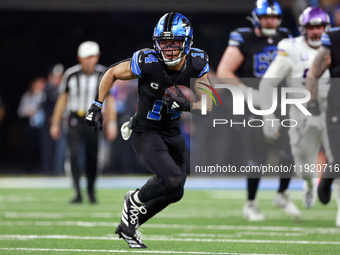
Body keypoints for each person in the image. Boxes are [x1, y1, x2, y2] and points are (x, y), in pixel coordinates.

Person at [85, 12, 211, 248]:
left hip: (172, 132)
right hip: (145, 130)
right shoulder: (147, 61)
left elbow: (209, 104)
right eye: (164, 42)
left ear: (187, 42)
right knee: (172, 180)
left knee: (176, 191)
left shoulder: (198, 61)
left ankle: (128, 226)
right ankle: (133, 200)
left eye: (175, 42)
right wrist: (96, 105)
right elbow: (111, 73)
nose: (169, 48)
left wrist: (188, 104)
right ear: (156, 42)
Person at [216, 0, 298, 221]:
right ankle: (251, 203)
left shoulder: (284, 36)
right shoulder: (244, 37)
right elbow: (224, 70)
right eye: (266, 17)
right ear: (256, 18)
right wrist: (246, 92)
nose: (270, 21)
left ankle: (282, 193)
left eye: (273, 17)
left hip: (280, 101)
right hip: (251, 103)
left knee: (291, 147)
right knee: (258, 154)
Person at [259, 7, 333, 210]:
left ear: (328, 28)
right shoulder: (291, 48)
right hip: (302, 115)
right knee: (304, 168)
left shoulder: (335, 45)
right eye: (312, 27)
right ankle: (309, 184)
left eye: (320, 27)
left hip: (332, 112)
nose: (317, 32)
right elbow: (267, 83)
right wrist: (268, 116)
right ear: (303, 28)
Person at [50, 41, 117, 204]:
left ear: (97, 57)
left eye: (93, 56)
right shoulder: (71, 74)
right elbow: (63, 99)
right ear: (80, 58)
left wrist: (112, 123)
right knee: (73, 154)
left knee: (92, 157)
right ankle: (77, 192)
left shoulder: (104, 73)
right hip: (75, 119)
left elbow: (111, 100)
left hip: (94, 120)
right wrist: (55, 123)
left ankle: (91, 190)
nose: (90, 60)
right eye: (87, 57)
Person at [306, 26, 340, 226]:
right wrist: (312, 102)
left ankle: (328, 175)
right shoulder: (335, 39)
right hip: (337, 107)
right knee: (339, 156)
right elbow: (314, 73)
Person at [17, 76, 46, 173]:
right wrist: (28, 111)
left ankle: (44, 169)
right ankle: (28, 169)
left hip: (44, 126)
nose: (39, 86)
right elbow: (20, 112)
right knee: (29, 148)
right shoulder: (27, 96)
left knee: (43, 148)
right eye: (37, 84)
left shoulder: (46, 96)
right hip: (31, 126)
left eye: (42, 84)